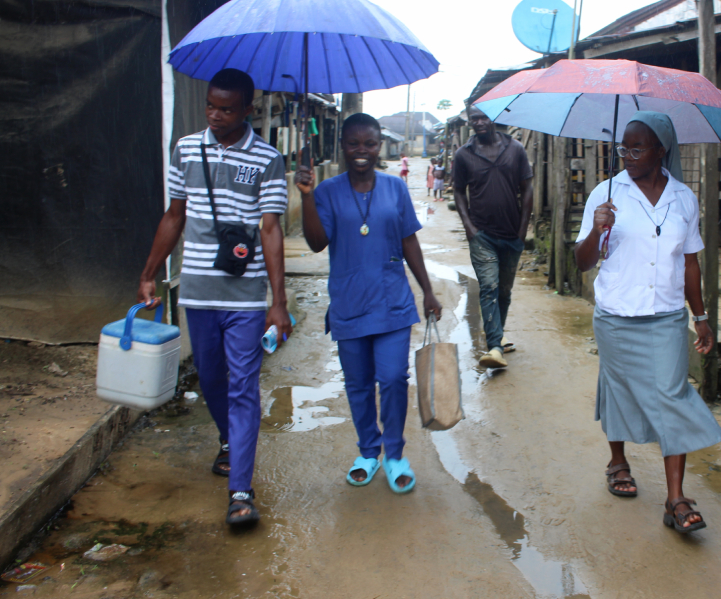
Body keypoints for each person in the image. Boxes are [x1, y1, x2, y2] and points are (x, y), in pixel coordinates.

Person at [137, 68, 291, 526]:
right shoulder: (186, 148)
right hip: (198, 291)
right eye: (210, 105)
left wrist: (277, 302)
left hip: (245, 296)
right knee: (210, 377)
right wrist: (149, 275)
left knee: (244, 386)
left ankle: (240, 491)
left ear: (248, 109)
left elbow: (270, 228)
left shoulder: (267, 159)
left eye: (227, 108)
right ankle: (229, 440)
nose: (216, 115)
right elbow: (174, 215)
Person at [573, 111, 721, 535]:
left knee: (672, 394)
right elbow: (583, 263)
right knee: (618, 387)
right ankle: (618, 460)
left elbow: (690, 263)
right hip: (617, 314)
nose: (628, 155)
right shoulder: (607, 193)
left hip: (665, 315)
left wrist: (701, 317)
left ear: (662, 150)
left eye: (637, 148)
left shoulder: (683, 198)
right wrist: (595, 230)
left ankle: (675, 499)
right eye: (624, 147)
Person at [295, 112, 442, 494]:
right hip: (349, 301)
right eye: (353, 143)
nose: (362, 151)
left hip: (391, 300)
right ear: (342, 146)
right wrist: (307, 197)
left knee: (393, 378)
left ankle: (394, 454)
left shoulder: (395, 188)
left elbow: (409, 239)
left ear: (379, 146)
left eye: (370, 144)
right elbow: (316, 242)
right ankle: (367, 452)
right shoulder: (326, 191)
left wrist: (427, 289)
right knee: (358, 383)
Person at [453, 106, 533, 369]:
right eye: (473, 118)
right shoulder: (464, 154)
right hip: (482, 235)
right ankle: (495, 348)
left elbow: (527, 188)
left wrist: (522, 231)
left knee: (504, 291)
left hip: (512, 234)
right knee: (488, 287)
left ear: (494, 118)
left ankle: (496, 332)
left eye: (484, 117)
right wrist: (469, 227)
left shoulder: (516, 149)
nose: (479, 122)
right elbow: (459, 192)